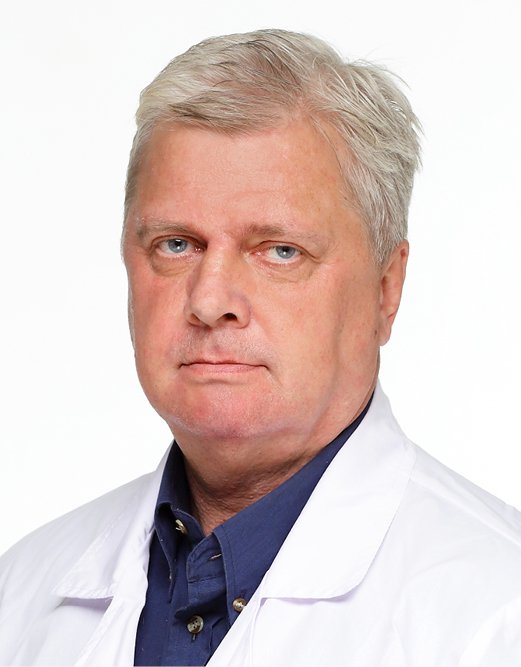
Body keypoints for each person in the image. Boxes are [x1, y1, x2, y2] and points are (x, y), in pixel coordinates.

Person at [1, 27, 521, 667]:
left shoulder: (500, 613)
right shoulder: (20, 595)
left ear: (386, 289)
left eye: (279, 251)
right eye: (176, 244)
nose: (209, 299)